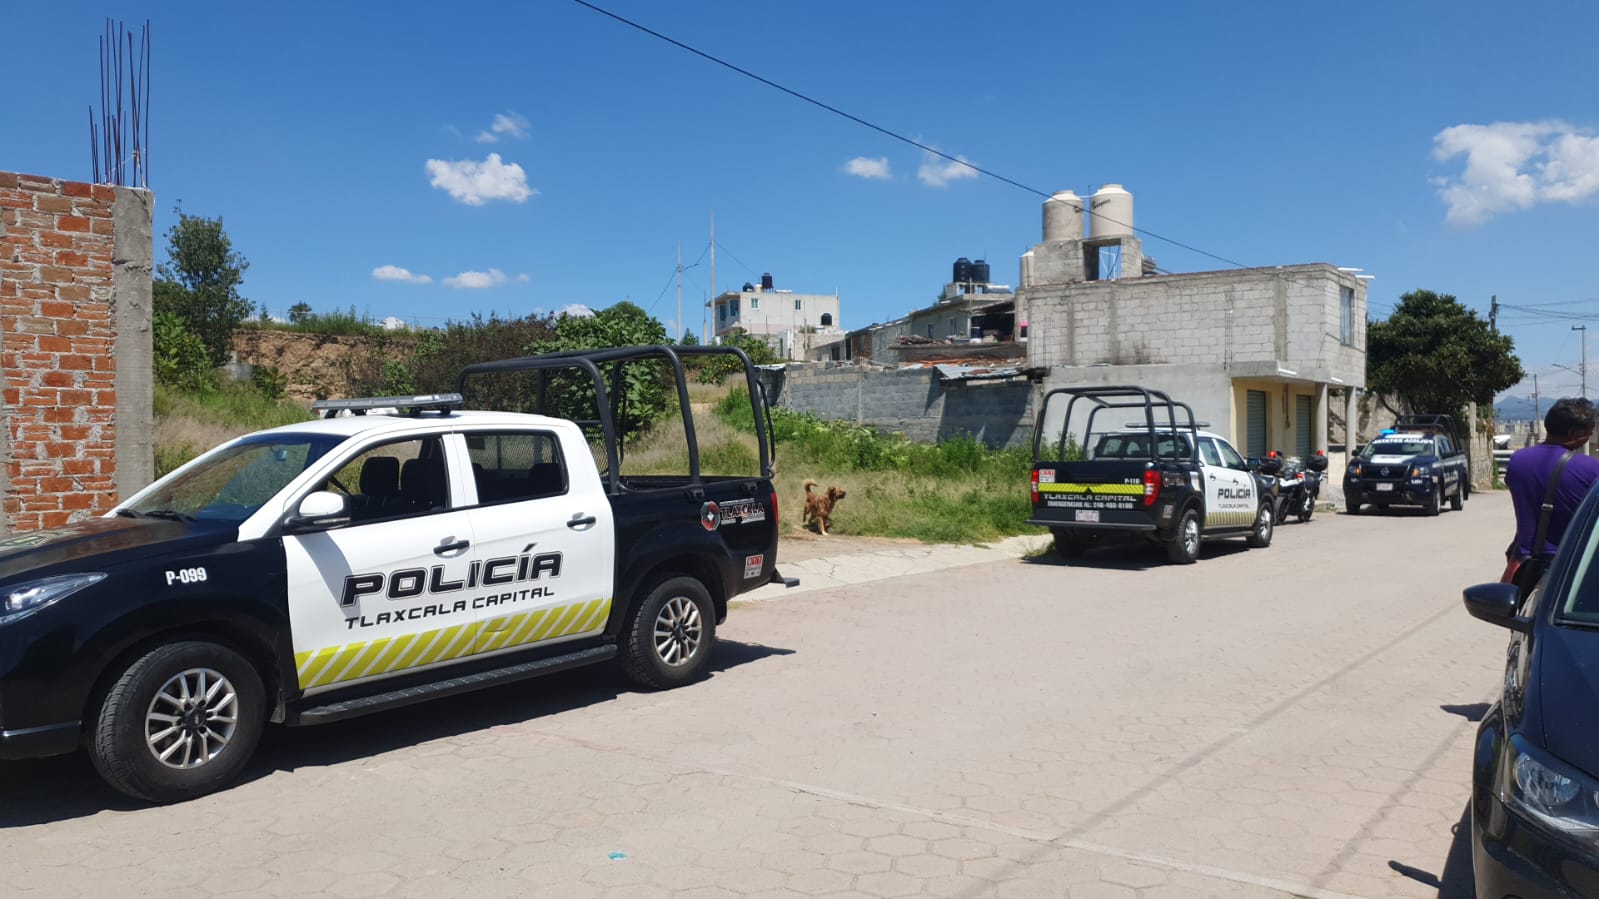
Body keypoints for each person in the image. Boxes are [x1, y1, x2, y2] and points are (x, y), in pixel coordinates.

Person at [1506, 397, 1599, 565]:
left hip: (1524, 562)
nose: (1591, 435)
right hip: (1568, 563)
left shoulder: (1517, 461)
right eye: (1589, 431)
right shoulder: (1591, 468)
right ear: (1573, 433)